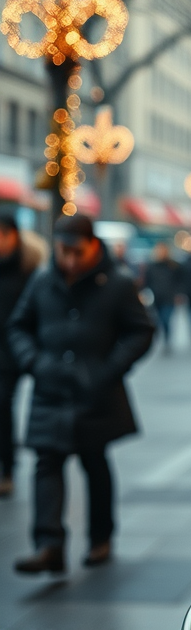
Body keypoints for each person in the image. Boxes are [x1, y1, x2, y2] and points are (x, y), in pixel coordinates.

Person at [7, 214, 153, 573]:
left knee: (94, 462)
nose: (70, 260)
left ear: (92, 245)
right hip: (50, 389)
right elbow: (19, 327)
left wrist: (108, 369)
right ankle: (49, 545)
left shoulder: (116, 283)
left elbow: (142, 331)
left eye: (77, 252)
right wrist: (34, 362)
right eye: (63, 251)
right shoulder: (42, 281)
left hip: (94, 391)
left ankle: (100, 537)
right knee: (46, 463)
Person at [0, 208, 45, 497]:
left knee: (2, 405)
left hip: (11, 352)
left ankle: (8, 468)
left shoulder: (28, 272)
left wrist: (29, 354)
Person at [144, 242, 181, 351]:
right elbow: (147, 281)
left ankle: (167, 339)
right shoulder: (151, 266)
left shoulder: (173, 266)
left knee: (166, 319)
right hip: (156, 297)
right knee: (157, 320)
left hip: (169, 297)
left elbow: (179, 281)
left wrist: (178, 294)